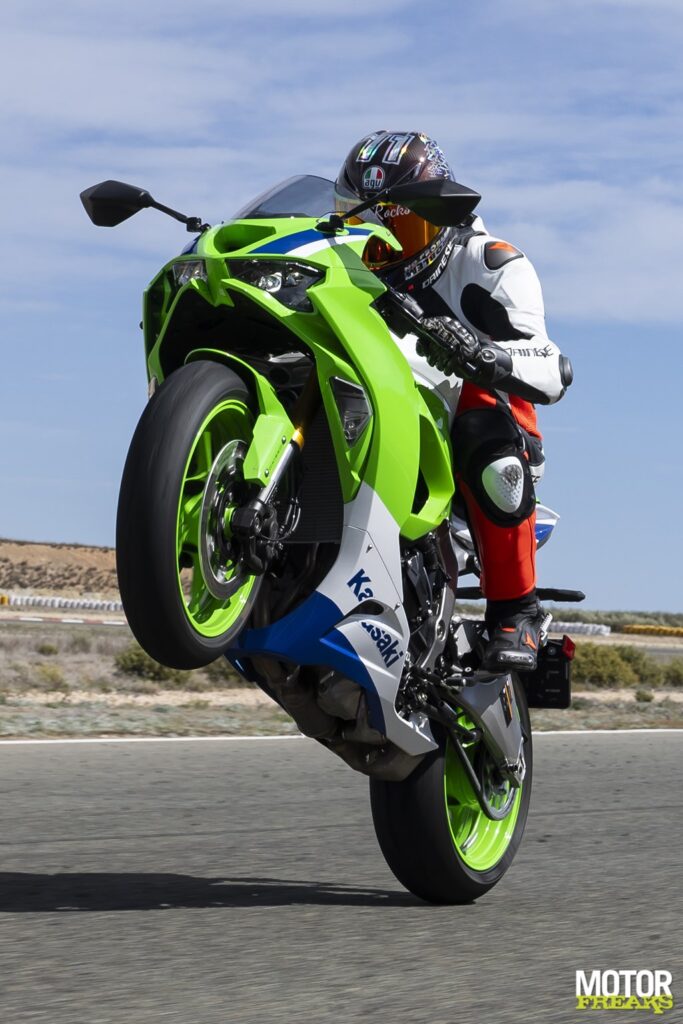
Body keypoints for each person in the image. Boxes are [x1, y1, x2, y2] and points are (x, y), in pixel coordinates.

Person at [334, 130, 573, 672]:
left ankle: (516, 610)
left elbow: (549, 363)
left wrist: (483, 355)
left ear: (441, 216)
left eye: (400, 226)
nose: (384, 246)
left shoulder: (490, 262)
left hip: (473, 422)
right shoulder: (345, 267)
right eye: (362, 226)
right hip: (379, 407)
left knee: (479, 416)